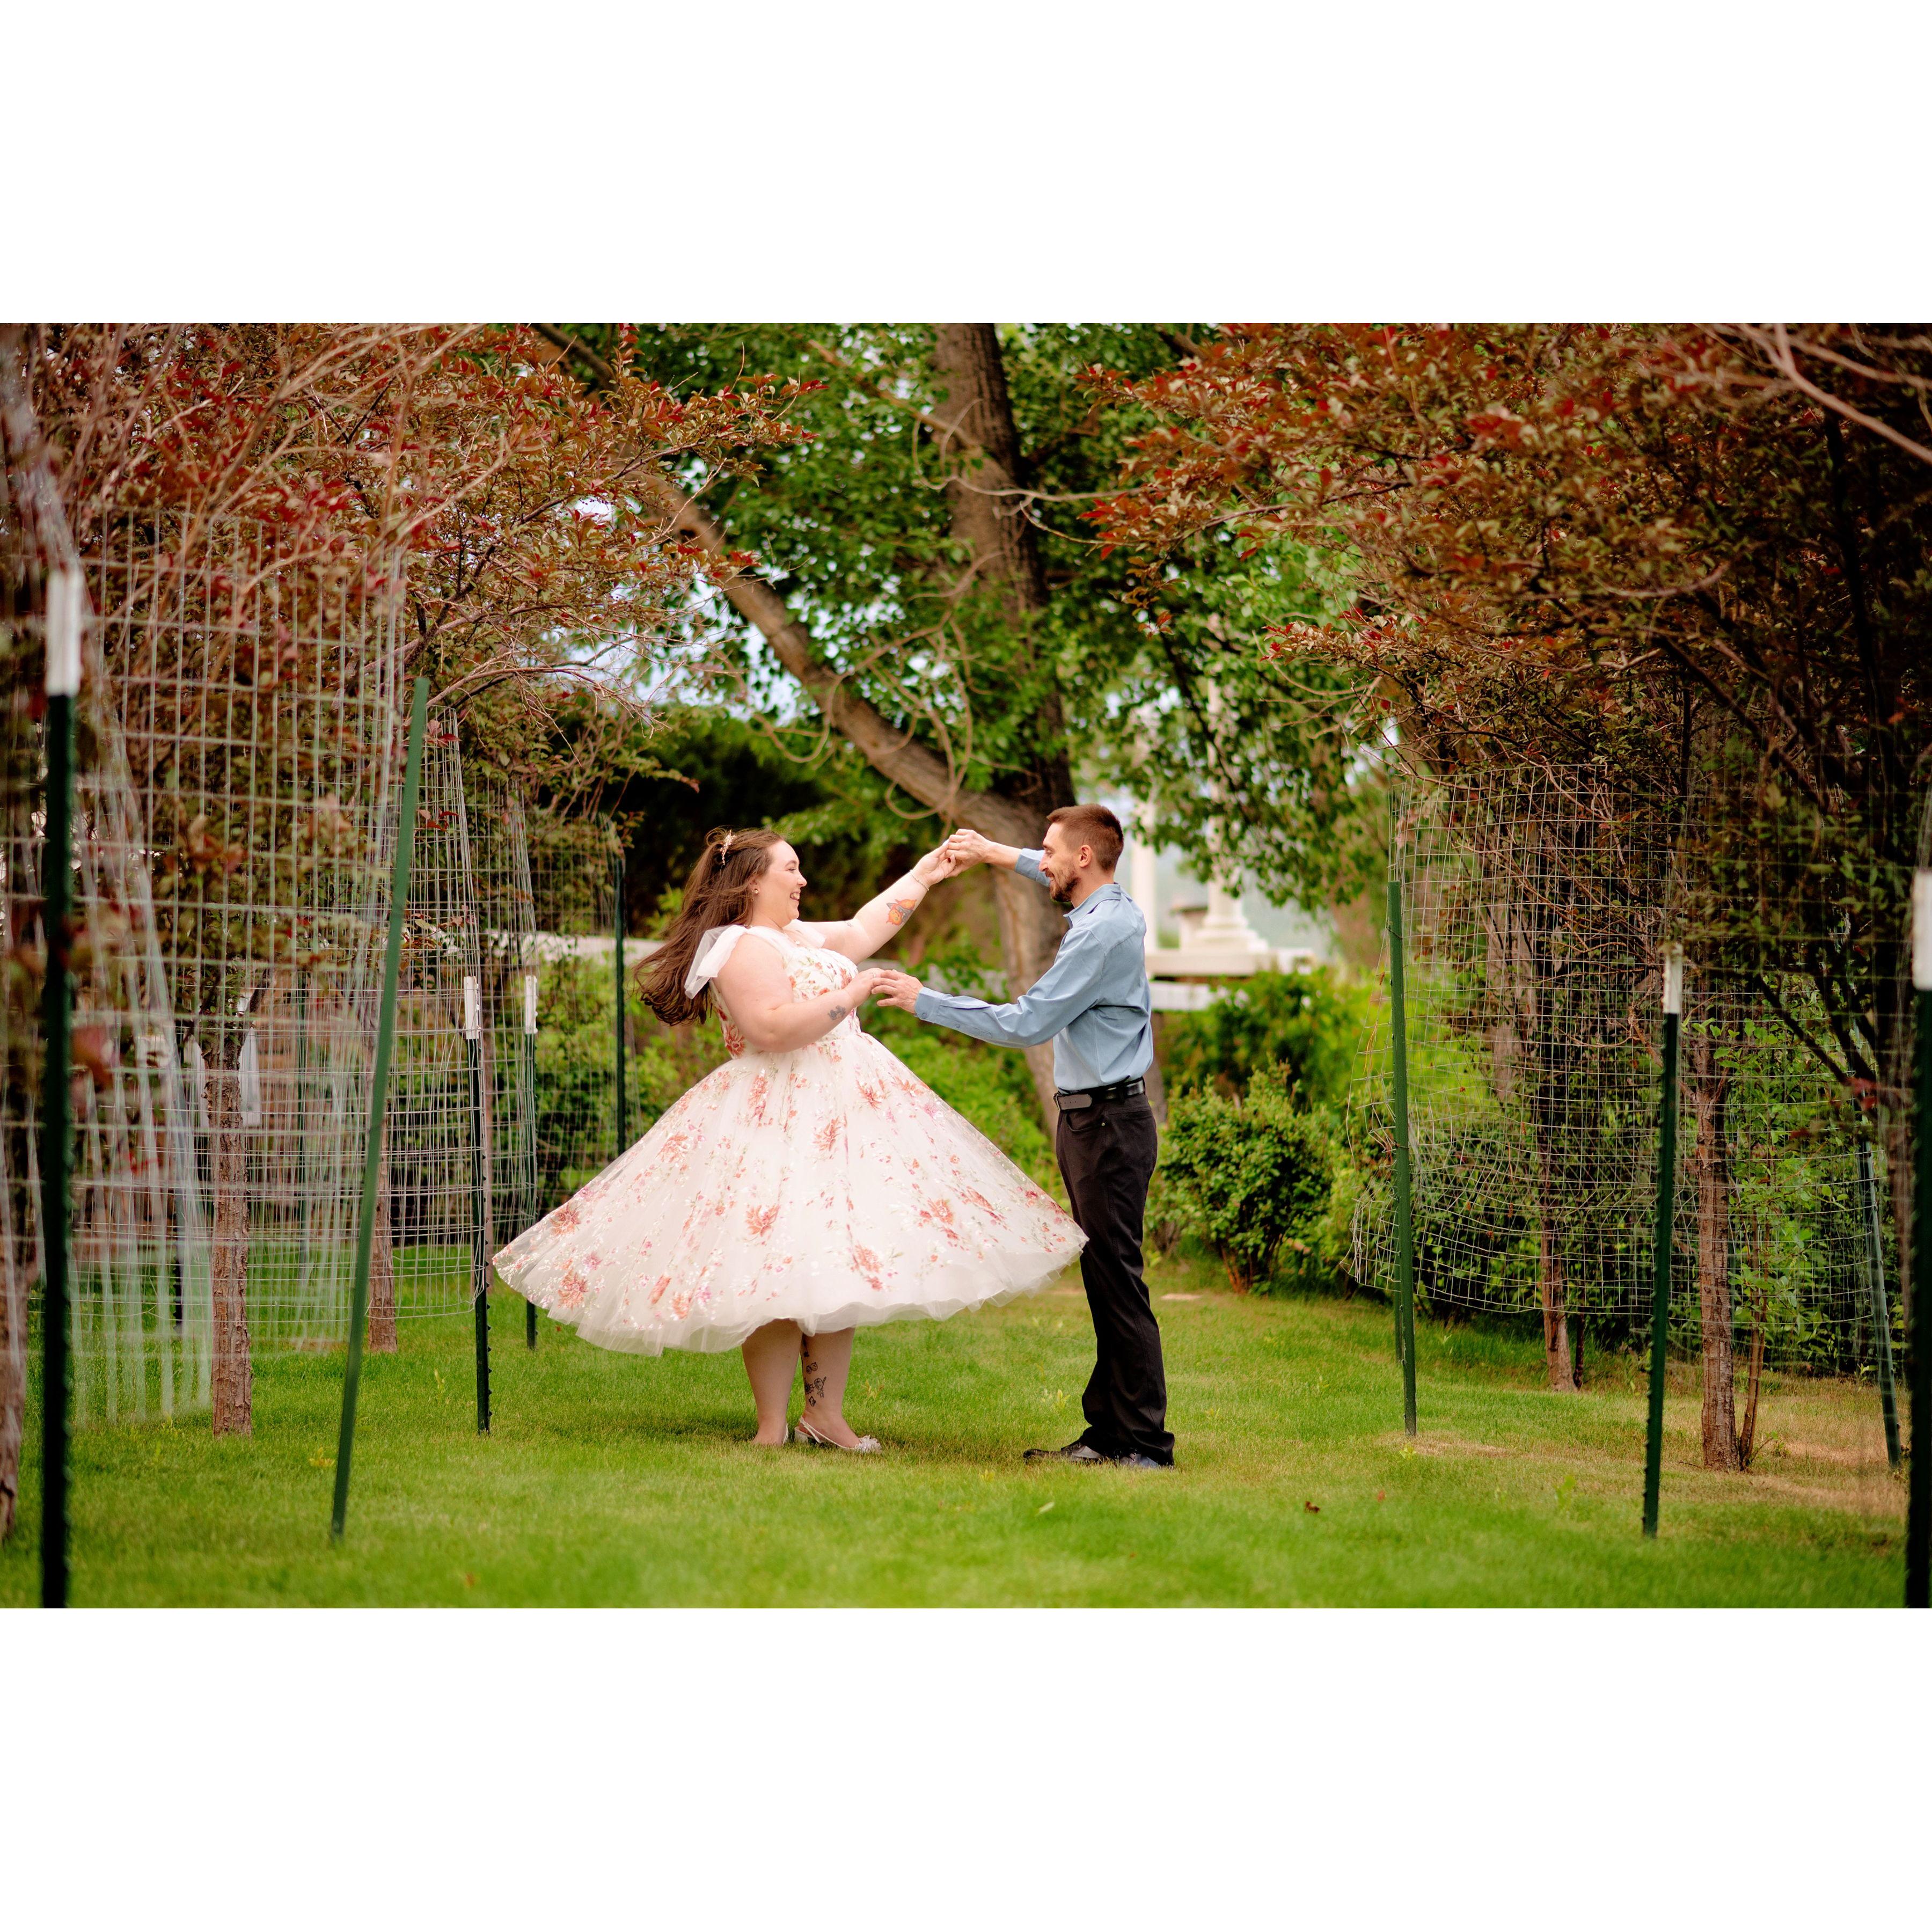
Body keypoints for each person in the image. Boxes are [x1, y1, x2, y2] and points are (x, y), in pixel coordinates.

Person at [491, 827, 1085, 1452]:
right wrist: (852, 992)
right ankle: (771, 1427)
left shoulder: (794, 936)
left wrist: (926, 874)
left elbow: (861, 929)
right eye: (791, 869)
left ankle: (824, 1417)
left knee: (837, 1259)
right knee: (770, 1265)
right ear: (753, 881)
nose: (802, 880)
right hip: (775, 1114)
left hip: (841, 1109)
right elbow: (770, 1029)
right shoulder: (740, 946)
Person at [875, 805, 1175, 1469]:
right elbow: (1049, 867)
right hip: (1092, 1121)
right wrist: (991, 852)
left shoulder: (1100, 932)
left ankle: (1144, 1444)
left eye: (1050, 850)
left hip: (1108, 1127)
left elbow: (1027, 1023)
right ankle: (1109, 1434)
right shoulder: (1105, 908)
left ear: (1084, 858)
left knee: (1118, 1282)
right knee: (1105, 1280)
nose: (1042, 860)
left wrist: (927, 1001)